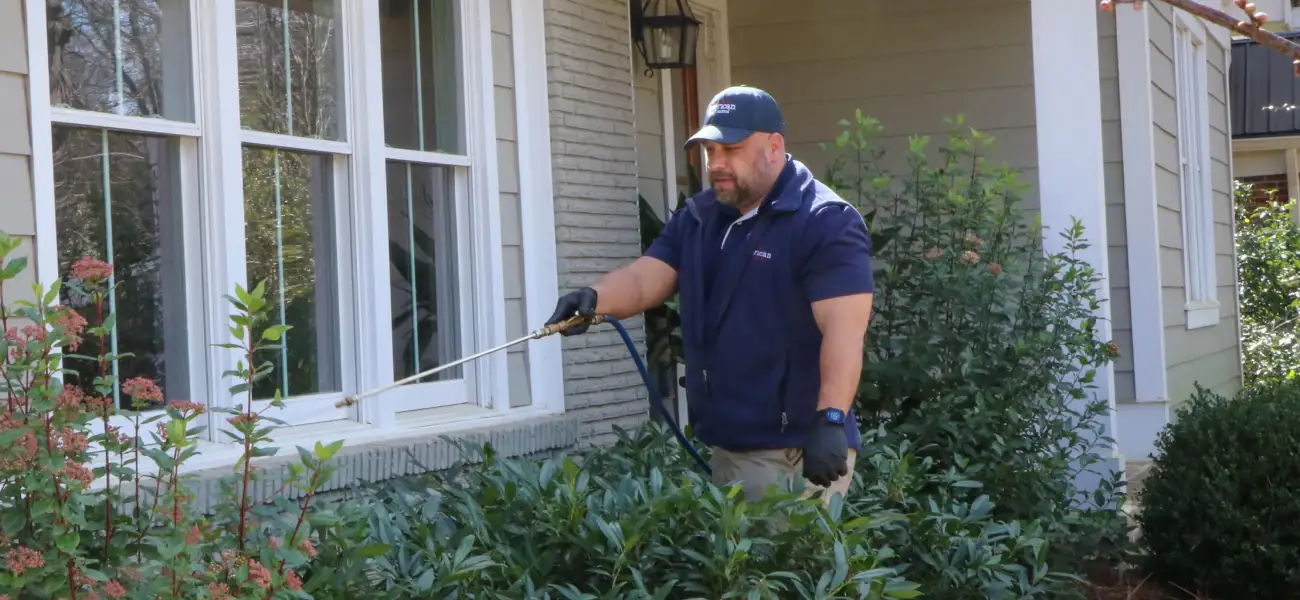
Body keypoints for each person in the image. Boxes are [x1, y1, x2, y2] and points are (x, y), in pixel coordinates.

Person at [545, 85, 875, 504]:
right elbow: (649, 276)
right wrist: (595, 298)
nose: (716, 164)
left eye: (731, 149)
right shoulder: (702, 216)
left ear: (774, 147)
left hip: (796, 452)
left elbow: (844, 333)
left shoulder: (824, 223)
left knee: (782, 569)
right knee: (735, 568)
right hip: (729, 445)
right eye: (709, 151)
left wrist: (830, 418)